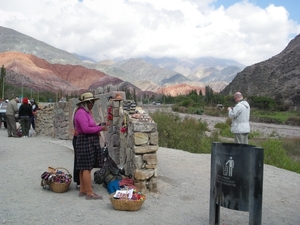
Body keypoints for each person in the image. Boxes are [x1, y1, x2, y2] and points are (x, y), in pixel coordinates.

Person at [74, 92, 107, 200]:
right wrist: (100, 128)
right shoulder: (81, 113)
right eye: (91, 102)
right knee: (86, 168)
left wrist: (99, 126)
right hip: (85, 141)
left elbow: (89, 126)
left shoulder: (84, 112)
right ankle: (89, 193)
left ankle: (83, 190)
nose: (92, 104)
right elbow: (86, 129)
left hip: (86, 141)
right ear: (86, 103)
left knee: (83, 167)